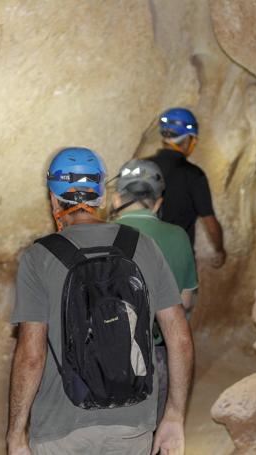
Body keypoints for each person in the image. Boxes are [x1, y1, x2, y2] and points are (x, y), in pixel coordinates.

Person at [6, 147, 194, 455]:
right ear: (102, 199)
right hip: (132, 420)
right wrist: (174, 415)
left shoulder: (38, 257)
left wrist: (16, 433)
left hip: (60, 425)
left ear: (53, 199)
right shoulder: (143, 246)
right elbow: (180, 339)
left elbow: (31, 355)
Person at [110, 158, 198, 426]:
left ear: (115, 199)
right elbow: (184, 301)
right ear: (158, 202)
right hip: (155, 354)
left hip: (102, 355)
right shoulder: (177, 236)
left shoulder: (100, 235)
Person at [148, 108, 226, 268]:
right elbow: (209, 222)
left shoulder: (142, 167)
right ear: (189, 139)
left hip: (143, 260)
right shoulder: (194, 175)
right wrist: (220, 249)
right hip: (178, 263)